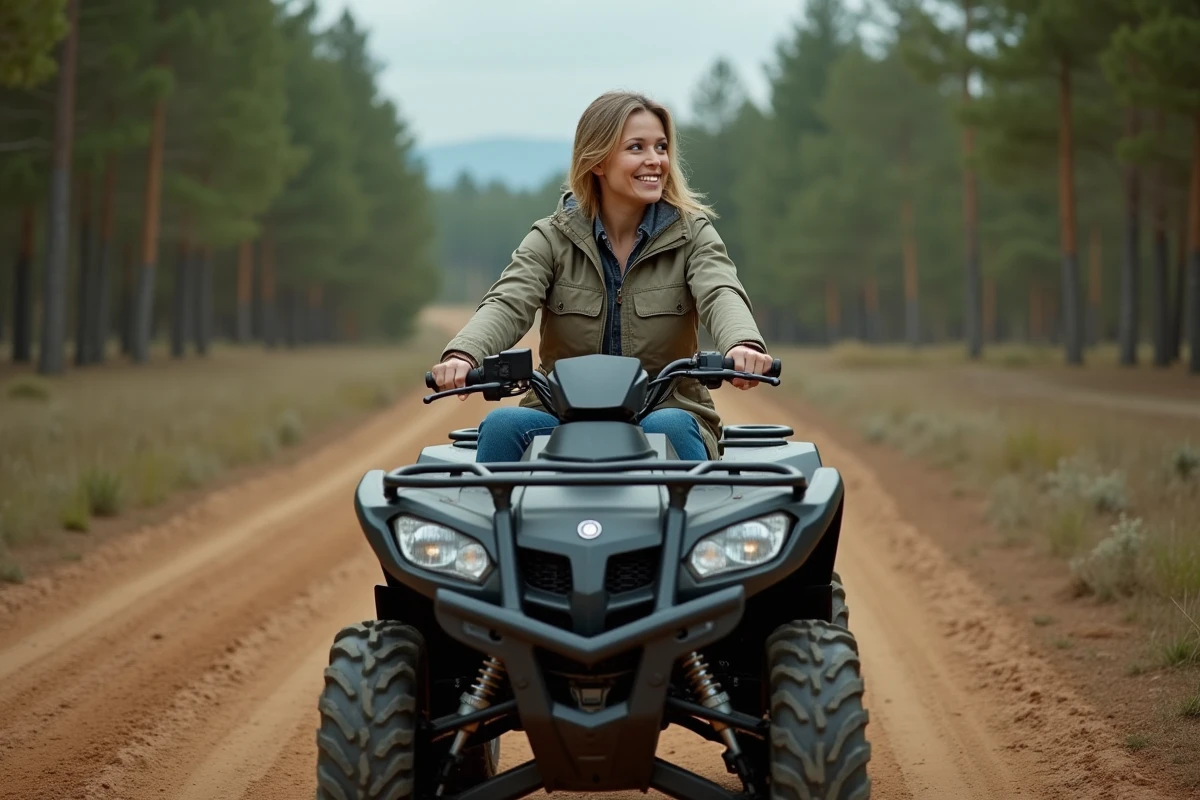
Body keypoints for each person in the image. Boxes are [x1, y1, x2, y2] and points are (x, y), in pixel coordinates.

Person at [430, 91, 773, 462]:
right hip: (560, 415)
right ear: (597, 161)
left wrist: (743, 345)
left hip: (666, 410)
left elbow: (720, 291)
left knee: (671, 427)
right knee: (501, 426)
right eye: (636, 148)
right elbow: (508, 301)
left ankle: (699, 519)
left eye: (660, 147)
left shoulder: (692, 234)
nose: (655, 160)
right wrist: (463, 354)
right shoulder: (552, 237)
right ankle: (499, 520)